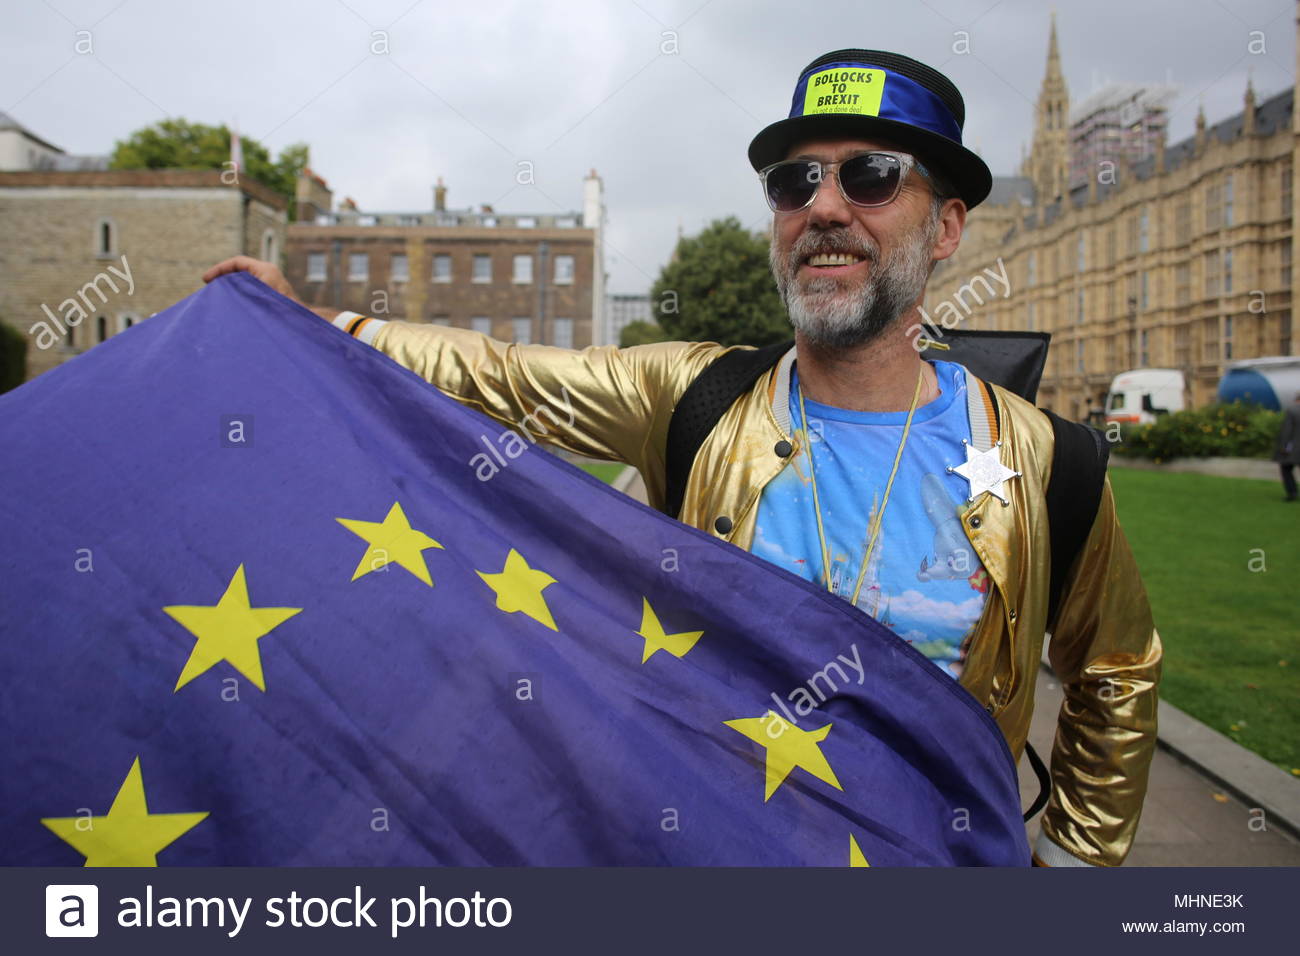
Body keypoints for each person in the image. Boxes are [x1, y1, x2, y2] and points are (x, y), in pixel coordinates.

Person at [202, 49, 1162, 868]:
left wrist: (1070, 867)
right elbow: (500, 376)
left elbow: (1117, 671)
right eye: (795, 183)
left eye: (870, 175)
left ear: (947, 226)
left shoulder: (1044, 462)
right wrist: (315, 324)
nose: (825, 206)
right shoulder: (698, 400)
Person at [1276, 393, 1300, 501]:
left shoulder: (1292, 410)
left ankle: (1292, 493)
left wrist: (1283, 446)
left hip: (1293, 448)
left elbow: (1287, 431)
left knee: (1286, 468)